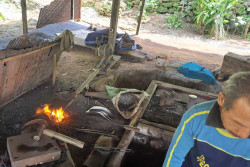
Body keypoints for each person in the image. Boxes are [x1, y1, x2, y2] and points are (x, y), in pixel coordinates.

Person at [163, 71, 250, 167]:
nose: (244, 134)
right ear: (222, 100)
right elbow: (175, 158)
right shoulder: (195, 118)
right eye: (238, 123)